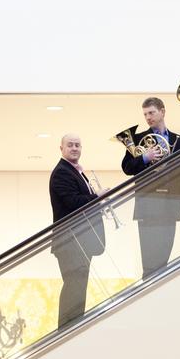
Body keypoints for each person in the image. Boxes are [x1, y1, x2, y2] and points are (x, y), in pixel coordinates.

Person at [121, 97, 180, 277]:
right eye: (145, 114)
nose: (148, 117)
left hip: (170, 204)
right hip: (147, 206)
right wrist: (145, 157)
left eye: (151, 112)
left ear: (162, 111)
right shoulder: (138, 139)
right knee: (149, 261)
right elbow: (127, 168)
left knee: (164, 257)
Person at [49, 134, 106, 328]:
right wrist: (97, 196)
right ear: (61, 148)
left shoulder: (75, 171)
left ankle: (73, 327)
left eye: (78, 145)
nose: (75, 148)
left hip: (80, 241)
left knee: (78, 288)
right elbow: (73, 203)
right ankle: (67, 331)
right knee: (74, 289)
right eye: (70, 145)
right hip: (70, 241)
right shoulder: (62, 172)